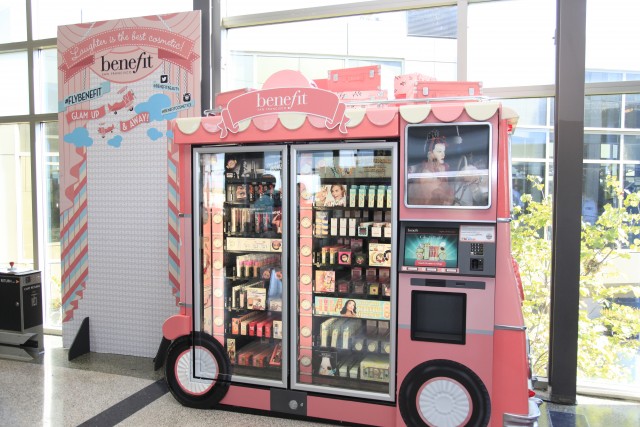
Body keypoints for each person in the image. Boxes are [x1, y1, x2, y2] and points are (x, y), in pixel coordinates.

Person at [407, 137, 454, 206]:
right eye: (439, 151)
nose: (443, 155)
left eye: (444, 151)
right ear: (430, 154)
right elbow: (433, 197)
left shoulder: (442, 169)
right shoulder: (426, 173)